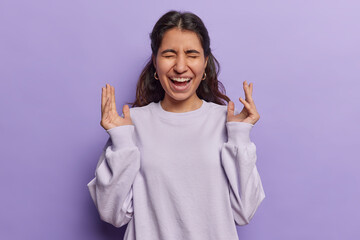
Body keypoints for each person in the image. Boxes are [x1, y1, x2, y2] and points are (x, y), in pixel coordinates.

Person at [87, 10, 265, 240]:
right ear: (155, 62)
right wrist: (121, 141)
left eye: (192, 54)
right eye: (169, 54)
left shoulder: (228, 123)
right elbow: (112, 214)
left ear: (205, 63)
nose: (180, 67)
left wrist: (240, 136)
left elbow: (245, 212)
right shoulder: (132, 124)